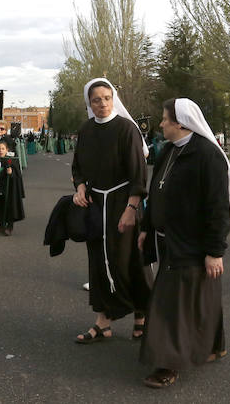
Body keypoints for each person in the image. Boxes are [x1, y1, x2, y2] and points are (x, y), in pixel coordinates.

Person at [139, 98, 230, 389]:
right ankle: (212, 345)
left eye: (164, 119)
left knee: (170, 304)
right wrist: (147, 226)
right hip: (167, 237)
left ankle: (167, 363)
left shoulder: (208, 156)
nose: (160, 124)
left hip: (192, 243)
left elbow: (218, 208)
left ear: (181, 122)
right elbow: (154, 192)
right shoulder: (168, 151)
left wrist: (214, 251)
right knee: (202, 296)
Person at [70, 78, 149, 345]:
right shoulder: (86, 130)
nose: (102, 104)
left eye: (106, 98)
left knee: (129, 259)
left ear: (113, 99)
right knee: (97, 261)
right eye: (96, 100)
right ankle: (103, 322)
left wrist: (131, 208)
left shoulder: (127, 129)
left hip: (123, 202)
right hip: (96, 204)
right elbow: (77, 167)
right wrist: (80, 189)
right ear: (89, 104)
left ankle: (141, 314)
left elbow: (139, 173)